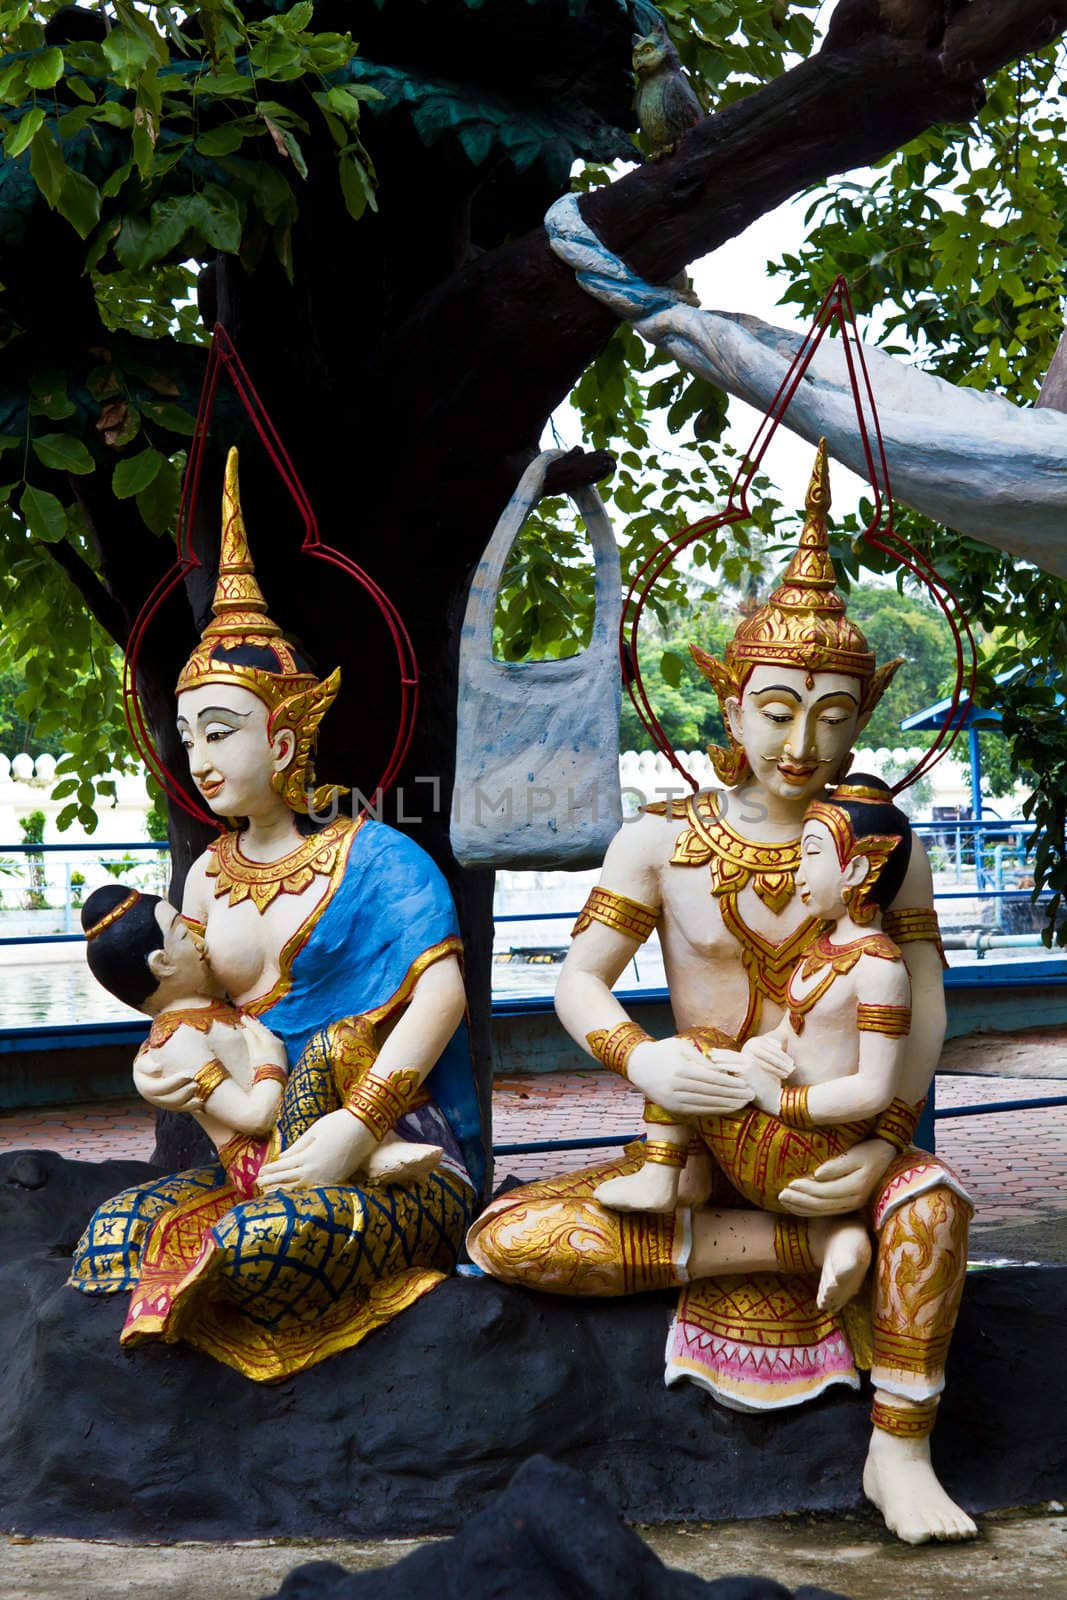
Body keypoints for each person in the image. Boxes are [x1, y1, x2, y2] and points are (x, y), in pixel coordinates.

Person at [468, 443, 976, 1545]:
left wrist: (887, 1139)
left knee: (933, 1212)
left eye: (836, 715)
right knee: (508, 1237)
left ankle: (898, 1452)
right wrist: (640, 1056)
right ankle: (806, 1255)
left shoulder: (887, 847)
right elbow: (578, 980)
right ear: (729, 702)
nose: (803, 743)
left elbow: (925, 1004)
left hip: (841, 1140)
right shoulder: (658, 840)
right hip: (700, 1149)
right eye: (779, 708)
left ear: (866, 714)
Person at [69, 448, 483, 1382]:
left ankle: (306, 1241)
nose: (203, 759)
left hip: (386, 1140)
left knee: (266, 1249)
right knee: (114, 1235)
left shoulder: (377, 858)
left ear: (284, 737)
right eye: (189, 738)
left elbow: (441, 999)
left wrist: (355, 1130)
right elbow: (177, 997)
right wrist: (156, 1076)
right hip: (259, 1152)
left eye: (222, 731)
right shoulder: (207, 874)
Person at [594, 778, 918, 1329]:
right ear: (734, 712)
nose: (796, 873)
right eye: (776, 711)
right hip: (776, 1131)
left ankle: (668, 1177)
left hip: (809, 1153)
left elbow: (874, 1089)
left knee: (696, 1046)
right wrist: (764, 1052)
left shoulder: (880, 968)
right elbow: (799, 1030)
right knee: (517, 1234)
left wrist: (782, 1100)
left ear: (858, 872)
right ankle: (824, 1239)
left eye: (811, 854)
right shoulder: (826, 948)